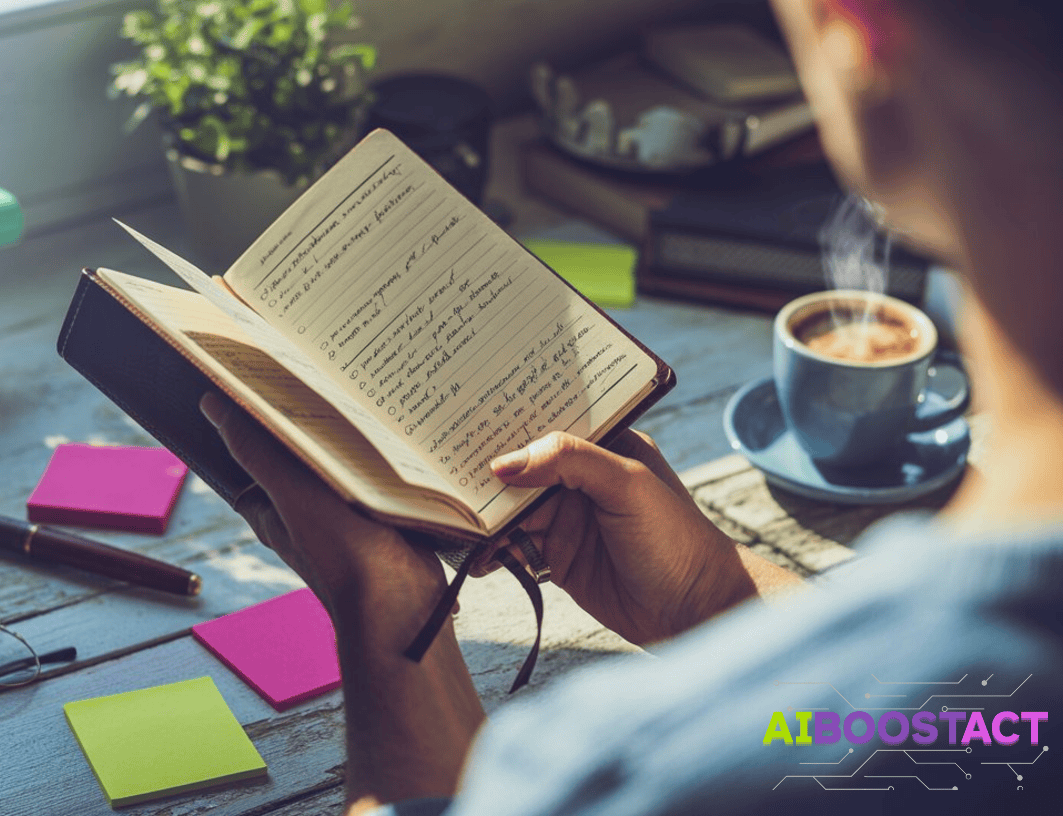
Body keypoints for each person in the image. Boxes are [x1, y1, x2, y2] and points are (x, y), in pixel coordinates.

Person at [199, 0, 1063, 812]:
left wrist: (384, 605)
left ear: (861, 26)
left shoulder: (629, 766)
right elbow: (970, 726)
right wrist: (715, 600)